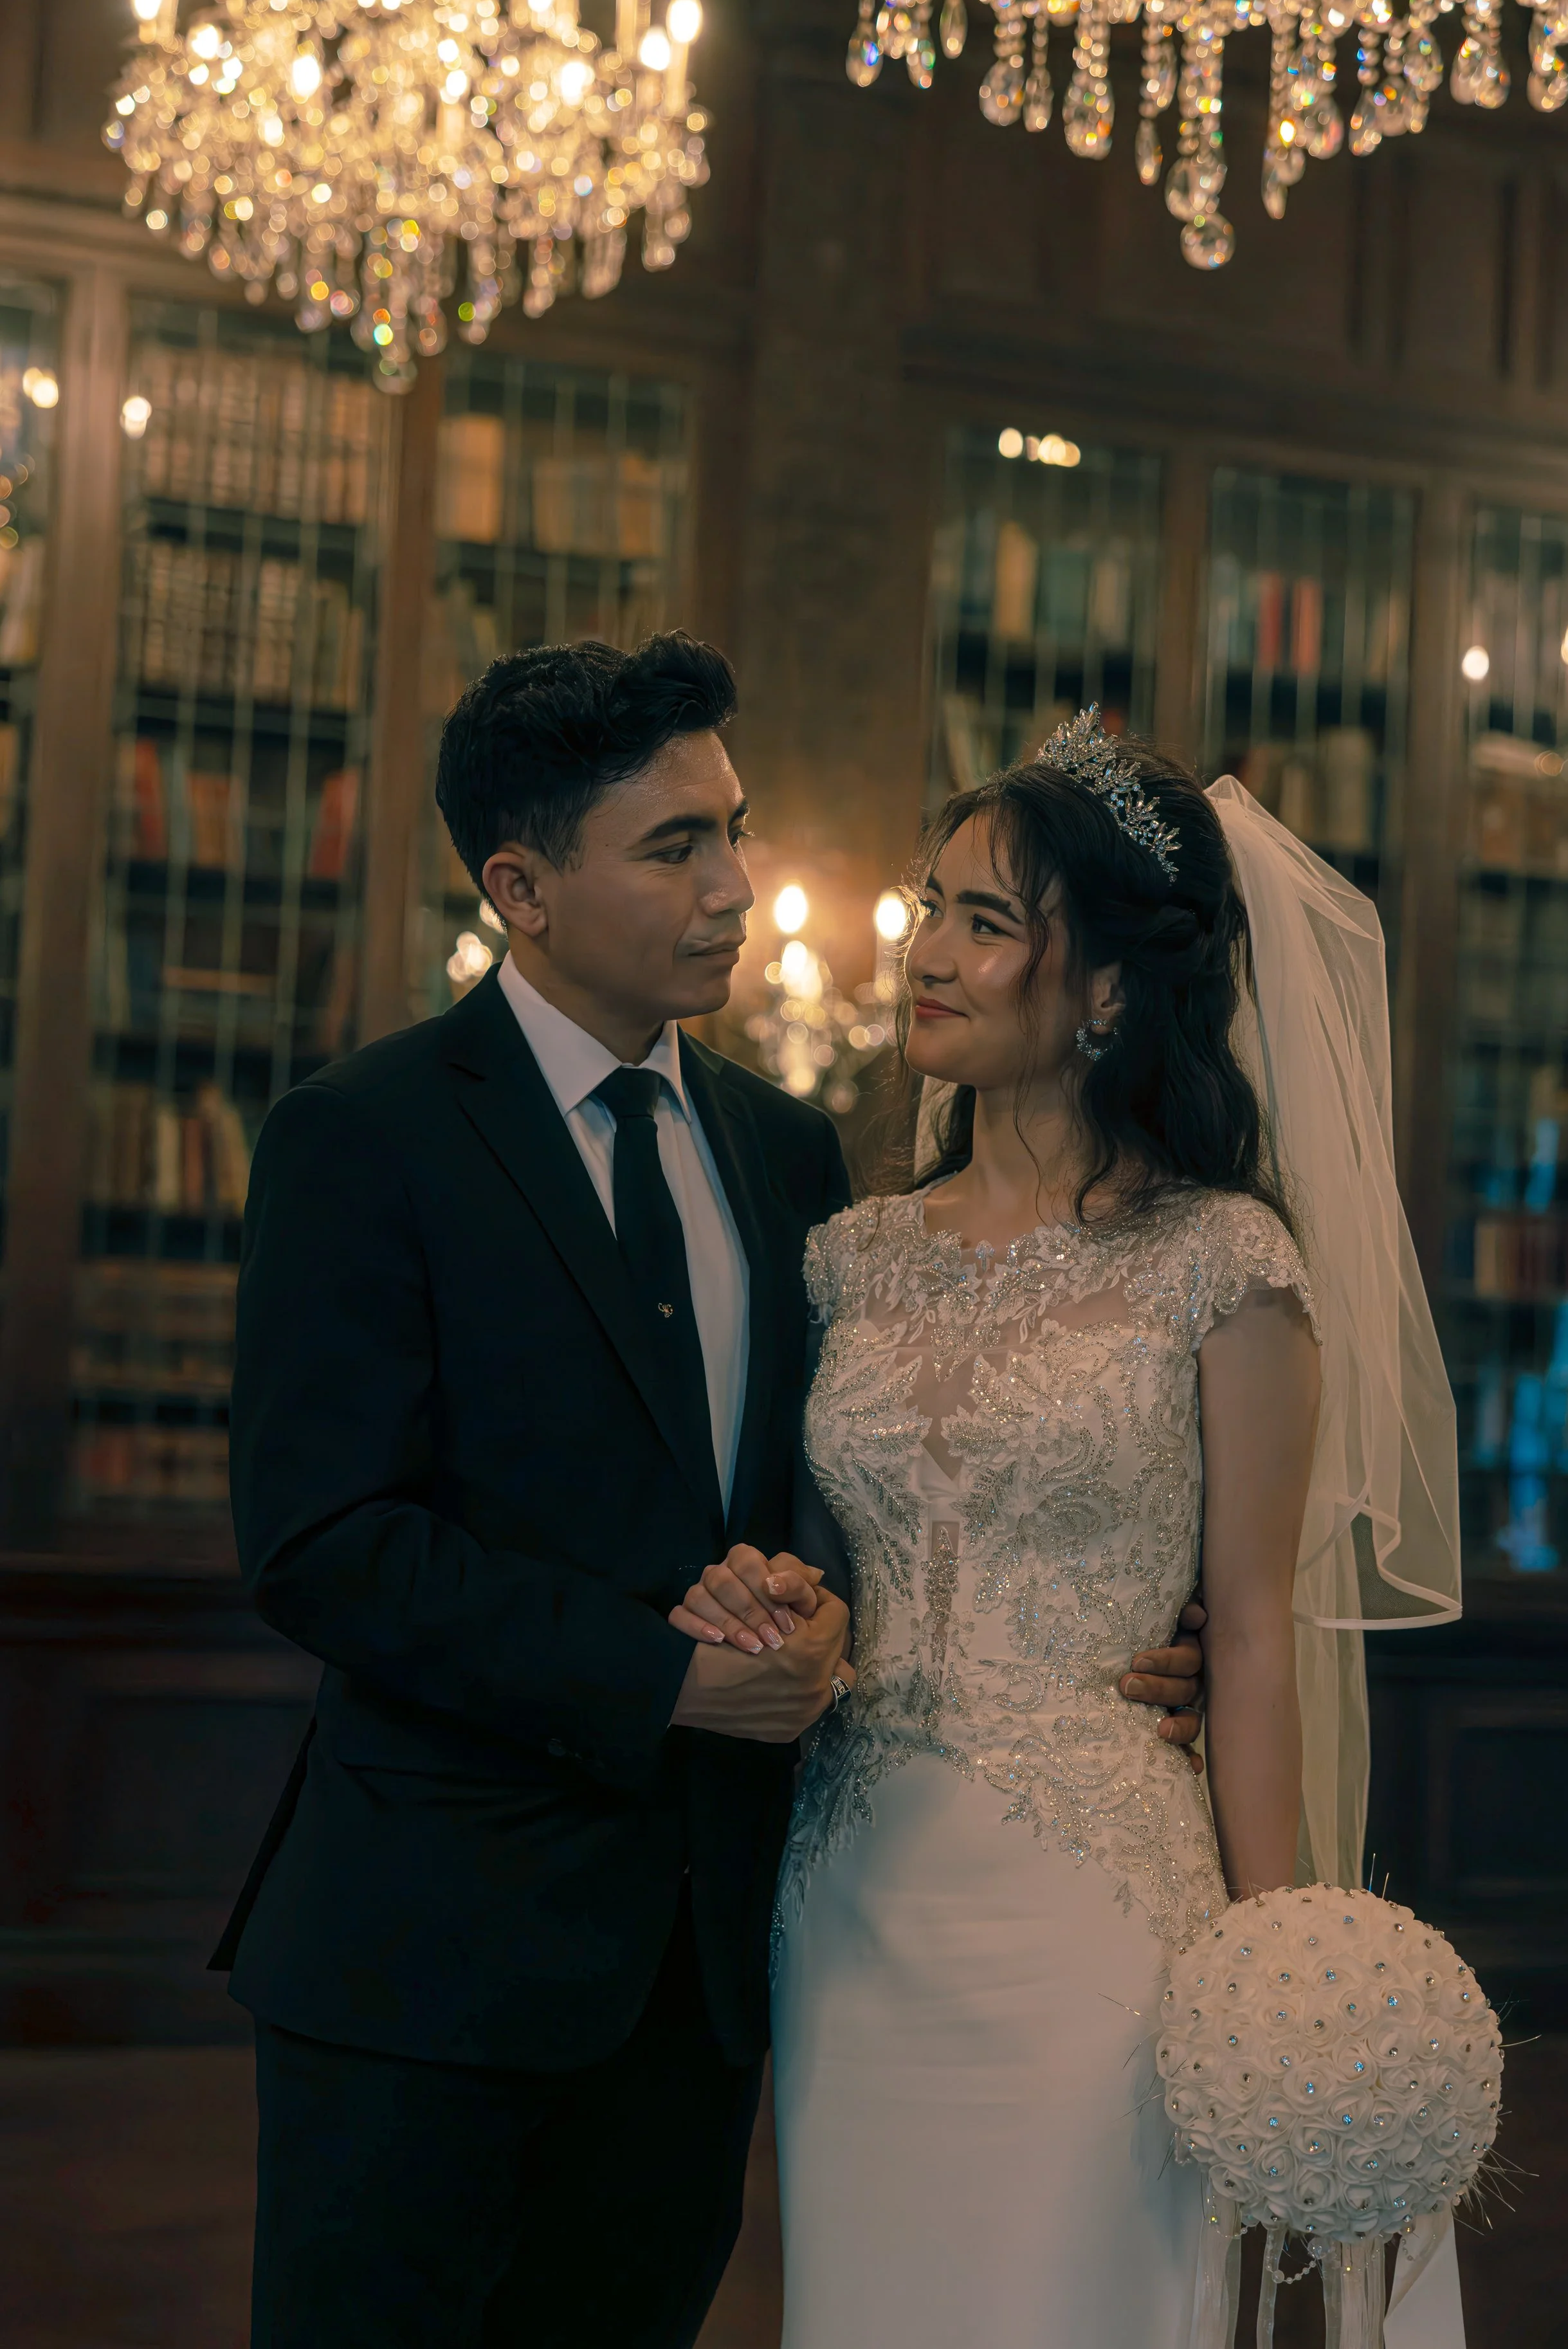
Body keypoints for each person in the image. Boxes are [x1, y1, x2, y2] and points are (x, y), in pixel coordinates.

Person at [214, 640, 1208, 2349]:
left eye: (731, 828)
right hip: (425, 1957)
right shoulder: (363, 1135)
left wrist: (1109, 1613)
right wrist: (661, 1673)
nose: (734, 884)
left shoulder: (784, 1152)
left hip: (702, 1969)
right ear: (521, 887)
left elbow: (863, 1491)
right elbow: (322, 1542)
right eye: (673, 844)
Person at [707, 713, 1461, 2348]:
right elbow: (826, 1574)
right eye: (929, 904)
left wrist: (1272, 1963)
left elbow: (1247, 1632)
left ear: (1107, 989)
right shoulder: (848, 1256)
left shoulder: (1221, 1261)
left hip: (1087, 1913)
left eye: (985, 920)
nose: (925, 950)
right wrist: (778, 1604)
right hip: (847, 1910)